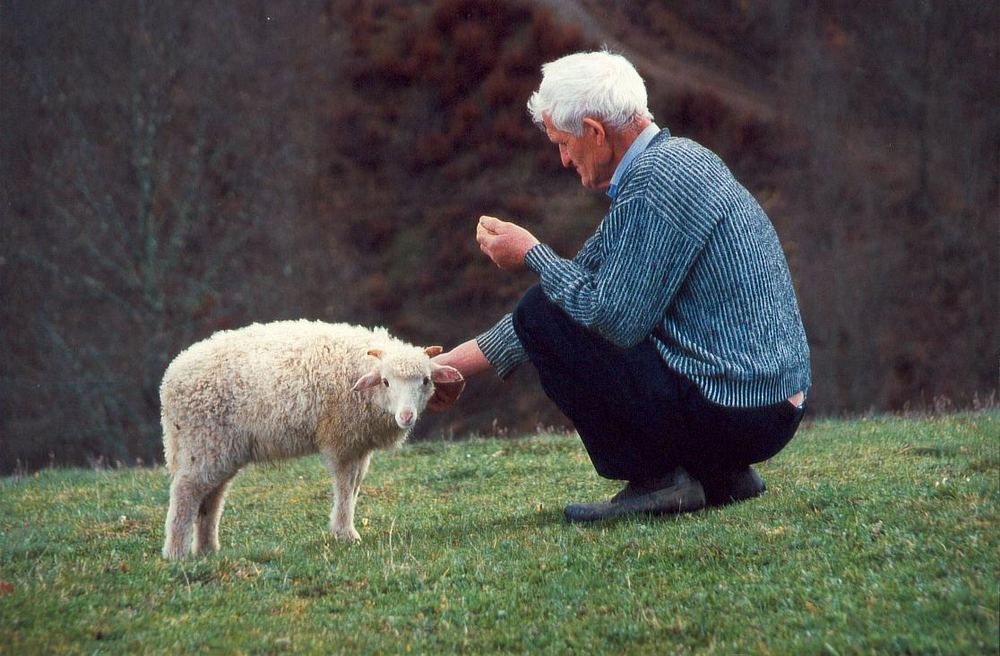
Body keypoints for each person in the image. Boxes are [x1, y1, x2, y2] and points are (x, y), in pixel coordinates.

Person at [431, 50, 811, 522]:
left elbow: (611, 318)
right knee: (551, 306)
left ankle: (657, 481)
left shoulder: (660, 182)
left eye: (563, 142)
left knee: (545, 308)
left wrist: (532, 252)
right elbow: (568, 298)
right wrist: (440, 369)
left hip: (742, 410)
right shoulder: (671, 166)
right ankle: (723, 476)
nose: (563, 158)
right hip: (764, 406)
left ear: (594, 131)